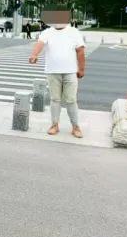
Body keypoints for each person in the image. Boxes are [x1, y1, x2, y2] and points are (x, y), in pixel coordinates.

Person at [28, 7, 86, 138]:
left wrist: (81, 69)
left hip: (70, 72)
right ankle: (54, 125)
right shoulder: (47, 32)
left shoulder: (74, 32)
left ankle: (76, 127)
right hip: (52, 71)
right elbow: (39, 44)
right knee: (55, 99)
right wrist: (34, 55)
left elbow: (80, 51)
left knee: (71, 100)